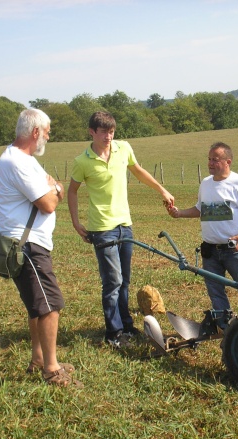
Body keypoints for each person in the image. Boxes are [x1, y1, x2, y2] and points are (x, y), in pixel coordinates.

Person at [67, 111, 174, 349]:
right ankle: (113, 333)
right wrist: (76, 222)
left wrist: (162, 190)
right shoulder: (82, 161)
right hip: (101, 229)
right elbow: (72, 191)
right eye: (103, 132)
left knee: (124, 280)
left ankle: (126, 325)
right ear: (92, 132)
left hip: (125, 225)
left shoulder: (123, 149)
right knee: (112, 281)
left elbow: (138, 172)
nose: (108, 137)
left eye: (112, 131)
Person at [0, 108, 79, 387]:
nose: (49, 136)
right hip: (27, 246)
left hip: (28, 244)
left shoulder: (22, 159)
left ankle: (39, 359)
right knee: (50, 306)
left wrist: (53, 186)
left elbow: (52, 188)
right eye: (48, 131)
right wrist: (55, 188)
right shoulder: (17, 162)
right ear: (35, 132)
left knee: (37, 307)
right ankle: (51, 370)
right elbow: (50, 202)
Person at [168, 142, 238, 312]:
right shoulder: (206, 183)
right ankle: (224, 326)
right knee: (215, 292)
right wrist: (179, 213)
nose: (210, 163)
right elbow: (201, 209)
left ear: (228, 162)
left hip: (235, 250)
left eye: (215, 160)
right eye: (209, 159)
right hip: (210, 251)